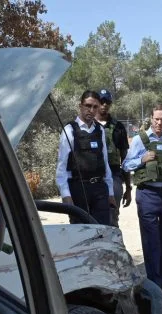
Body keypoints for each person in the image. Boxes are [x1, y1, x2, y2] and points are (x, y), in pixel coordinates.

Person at [123, 103, 162, 293]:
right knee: (151, 239)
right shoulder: (139, 140)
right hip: (147, 194)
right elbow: (126, 165)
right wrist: (141, 160)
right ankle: (154, 283)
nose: (159, 123)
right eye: (156, 119)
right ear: (151, 119)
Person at [56, 90, 116, 225]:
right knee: (81, 234)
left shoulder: (100, 130)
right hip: (78, 189)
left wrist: (110, 192)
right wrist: (66, 197)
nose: (91, 110)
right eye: (88, 106)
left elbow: (105, 162)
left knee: (102, 232)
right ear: (80, 106)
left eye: (95, 107)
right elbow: (62, 168)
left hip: (100, 189)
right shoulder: (69, 130)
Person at [96, 89, 131, 227]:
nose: (104, 105)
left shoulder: (118, 127)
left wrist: (128, 188)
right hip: (94, 177)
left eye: (107, 102)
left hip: (114, 174)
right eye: (101, 101)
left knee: (112, 216)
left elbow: (125, 159)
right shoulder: (88, 125)